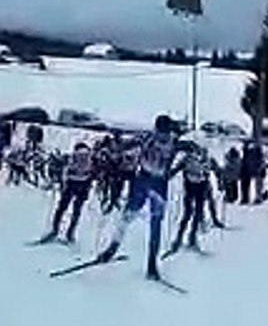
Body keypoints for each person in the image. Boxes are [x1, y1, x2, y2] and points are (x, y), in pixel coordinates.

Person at [96, 115, 188, 279]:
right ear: (156, 129)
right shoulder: (147, 138)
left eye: (166, 132)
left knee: (155, 224)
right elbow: (128, 144)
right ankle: (111, 249)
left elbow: (189, 146)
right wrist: (115, 147)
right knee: (127, 216)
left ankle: (152, 264)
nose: (163, 136)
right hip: (142, 181)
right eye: (161, 132)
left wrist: (198, 151)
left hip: (159, 185)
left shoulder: (174, 142)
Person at [170, 142, 223, 254]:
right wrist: (168, 175)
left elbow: (217, 170)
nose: (199, 152)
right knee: (188, 213)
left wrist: (221, 182)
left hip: (201, 187)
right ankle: (179, 238)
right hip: (190, 187)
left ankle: (192, 237)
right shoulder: (188, 158)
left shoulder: (208, 159)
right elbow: (177, 168)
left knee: (197, 213)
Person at [40, 142, 95, 244]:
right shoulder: (90, 158)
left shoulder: (72, 156)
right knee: (77, 210)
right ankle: (70, 234)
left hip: (71, 184)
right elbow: (93, 173)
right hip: (83, 186)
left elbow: (64, 167)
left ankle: (55, 230)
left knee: (61, 208)